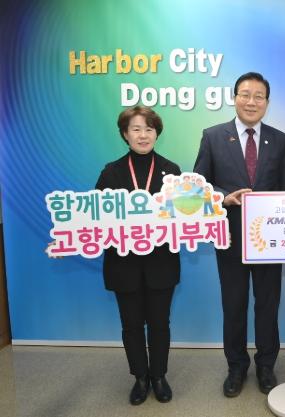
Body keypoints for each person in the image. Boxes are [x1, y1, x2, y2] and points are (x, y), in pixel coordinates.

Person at [194, 72, 285, 397]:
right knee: (234, 305)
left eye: (259, 96)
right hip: (231, 238)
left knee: (267, 305)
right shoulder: (213, 136)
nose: (252, 102)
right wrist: (224, 197)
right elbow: (198, 185)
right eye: (245, 94)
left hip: (270, 241)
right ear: (234, 97)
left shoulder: (280, 140)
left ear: (267, 102)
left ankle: (266, 365)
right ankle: (236, 367)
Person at [95, 106, 181, 405]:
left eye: (149, 129)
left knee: (159, 323)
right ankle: (140, 378)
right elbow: (94, 220)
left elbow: (185, 216)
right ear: (125, 134)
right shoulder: (111, 172)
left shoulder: (172, 171)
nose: (143, 135)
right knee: (131, 325)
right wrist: (67, 241)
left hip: (161, 263)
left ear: (157, 133)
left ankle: (159, 376)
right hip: (124, 264)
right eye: (136, 129)